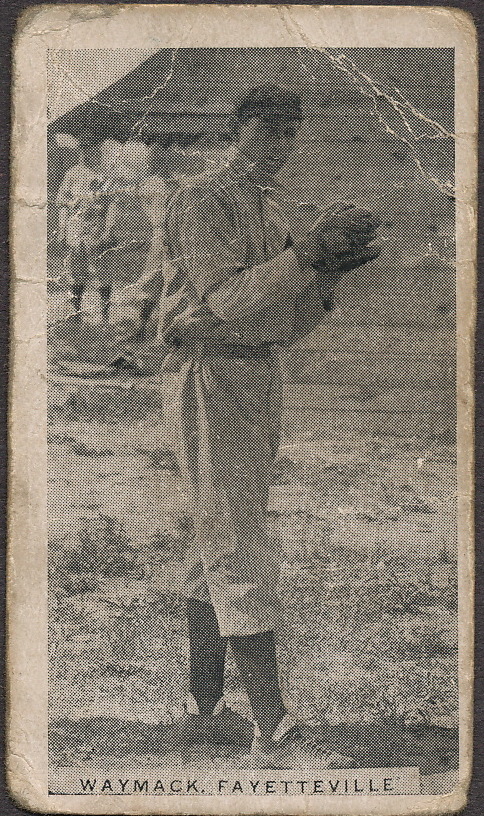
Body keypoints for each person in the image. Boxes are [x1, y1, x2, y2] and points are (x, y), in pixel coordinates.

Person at [126, 84, 382, 767]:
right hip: (208, 372)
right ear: (235, 129)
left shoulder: (271, 207)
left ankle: (205, 709)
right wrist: (304, 260)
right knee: (236, 539)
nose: (279, 145)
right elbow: (229, 301)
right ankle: (274, 725)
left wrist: (325, 275)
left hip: (255, 373)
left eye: (289, 133)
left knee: (215, 538)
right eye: (267, 130)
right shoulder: (201, 198)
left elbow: (291, 320)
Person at [55, 130, 112, 321]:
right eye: (83, 149)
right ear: (79, 151)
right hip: (75, 228)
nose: (87, 153)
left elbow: (111, 205)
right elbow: (61, 200)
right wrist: (62, 228)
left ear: (98, 151)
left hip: (95, 227)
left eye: (91, 149)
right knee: (76, 270)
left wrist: (107, 230)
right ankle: (76, 313)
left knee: (100, 270)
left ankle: (105, 316)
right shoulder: (72, 173)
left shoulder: (104, 176)